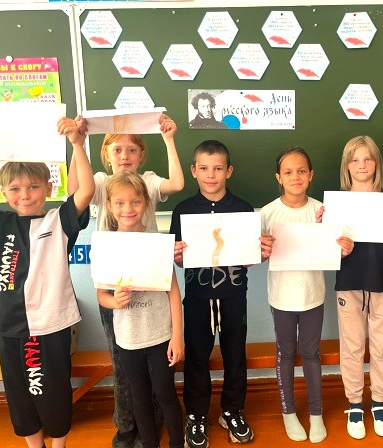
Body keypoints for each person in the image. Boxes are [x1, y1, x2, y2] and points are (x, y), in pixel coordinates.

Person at [0, 118, 94, 448]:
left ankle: (58, 444)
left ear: (48, 188)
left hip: (52, 323)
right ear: (3, 192)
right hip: (10, 324)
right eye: (15, 189)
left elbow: (86, 190)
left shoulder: (59, 221)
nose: (25, 195)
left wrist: (77, 144)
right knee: (19, 393)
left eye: (33, 187)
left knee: (54, 390)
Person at [68, 114, 184, 448]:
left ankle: (157, 426)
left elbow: (177, 184)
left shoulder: (147, 182)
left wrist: (169, 138)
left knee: (159, 381)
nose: (124, 156)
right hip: (116, 287)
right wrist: (77, 143)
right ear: (106, 154)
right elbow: (75, 190)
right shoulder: (101, 182)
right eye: (117, 149)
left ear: (141, 154)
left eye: (132, 149)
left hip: (154, 283)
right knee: (125, 368)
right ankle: (128, 426)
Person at [171, 140, 271, 448]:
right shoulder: (183, 210)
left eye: (217, 168)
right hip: (197, 297)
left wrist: (258, 254)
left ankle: (232, 410)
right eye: (204, 168)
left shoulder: (243, 209)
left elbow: (249, 256)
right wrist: (177, 256)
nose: (210, 175)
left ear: (229, 171)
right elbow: (179, 260)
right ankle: (196, 415)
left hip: (233, 295)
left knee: (235, 354)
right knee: (196, 356)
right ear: (193, 171)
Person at [260, 146, 353, 444]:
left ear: (311, 175)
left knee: (312, 355)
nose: (295, 177)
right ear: (278, 177)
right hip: (281, 298)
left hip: (313, 296)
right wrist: (261, 250)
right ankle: (288, 412)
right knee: (285, 354)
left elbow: (337, 247)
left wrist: (343, 247)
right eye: (288, 172)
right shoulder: (267, 213)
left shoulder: (323, 211)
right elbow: (257, 254)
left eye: (301, 171)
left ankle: (316, 413)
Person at [96, 171, 185, 448]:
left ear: (145, 202)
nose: (128, 209)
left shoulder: (157, 242)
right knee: (139, 395)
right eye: (120, 203)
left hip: (161, 335)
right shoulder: (106, 245)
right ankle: (149, 443)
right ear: (109, 205)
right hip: (128, 338)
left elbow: (173, 291)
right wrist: (115, 301)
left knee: (166, 394)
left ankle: (177, 443)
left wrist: (177, 336)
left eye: (135, 201)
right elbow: (101, 295)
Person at [331, 136, 383, 439]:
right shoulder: (337, 202)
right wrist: (328, 233)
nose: (362, 165)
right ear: (347, 165)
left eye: (368, 159)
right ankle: (355, 403)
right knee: (352, 346)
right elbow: (329, 250)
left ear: (377, 163)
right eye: (355, 160)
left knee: (382, 344)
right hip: (349, 281)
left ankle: (379, 401)